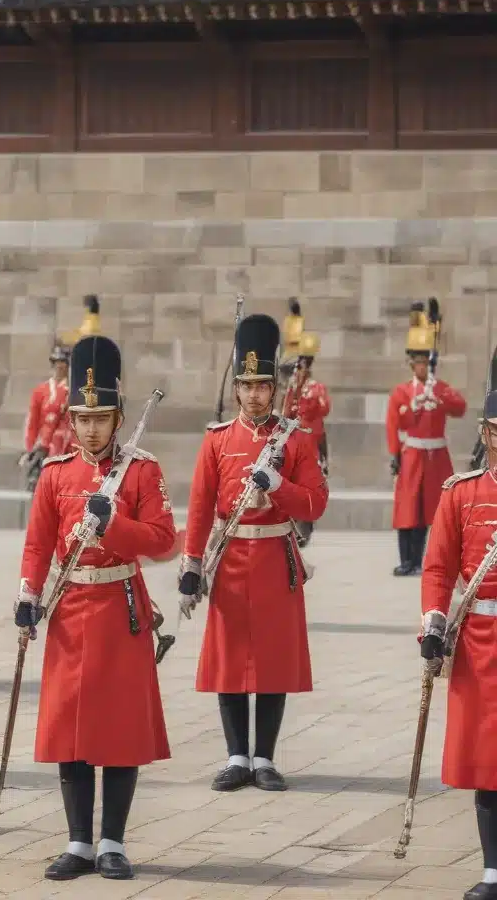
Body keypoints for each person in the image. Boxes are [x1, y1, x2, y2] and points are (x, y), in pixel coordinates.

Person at [15, 334, 177, 881]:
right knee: (71, 728)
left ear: (118, 417)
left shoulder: (141, 472)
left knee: (119, 728)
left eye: (100, 418)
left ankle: (113, 841)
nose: (89, 429)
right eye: (81, 418)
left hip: (120, 609)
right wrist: (26, 594)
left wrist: (115, 524)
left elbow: (163, 540)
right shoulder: (56, 474)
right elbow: (38, 544)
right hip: (69, 608)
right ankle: (78, 841)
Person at [179, 314, 328, 793]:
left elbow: (316, 501)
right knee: (229, 660)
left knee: (272, 660)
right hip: (229, 559)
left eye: (263, 385)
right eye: (246, 386)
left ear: (274, 386)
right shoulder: (217, 439)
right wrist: (191, 564)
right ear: (237, 389)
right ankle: (235, 755)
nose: (254, 395)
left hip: (275, 562)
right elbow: (201, 506)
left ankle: (264, 756)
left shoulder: (295, 439)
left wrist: (280, 485)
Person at [420, 386, 497, 900]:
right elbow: (439, 566)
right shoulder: (461, 492)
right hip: (480, 640)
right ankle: (495, 870)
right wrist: (432, 623)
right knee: (487, 757)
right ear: (487, 433)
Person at [387, 300, 466, 577]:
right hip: (412, 455)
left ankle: (425, 560)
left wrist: (438, 396)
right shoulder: (402, 392)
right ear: (412, 364)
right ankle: (406, 560)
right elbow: (395, 424)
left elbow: (460, 407)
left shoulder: (440, 389)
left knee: (433, 512)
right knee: (408, 510)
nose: (422, 367)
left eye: (425, 362)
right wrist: (395, 455)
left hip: (436, 458)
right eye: (418, 362)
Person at [280, 319, 331, 547]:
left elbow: (324, 409)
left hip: (311, 440)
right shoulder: (292, 387)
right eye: (301, 362)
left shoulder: (317, 388)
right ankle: (292, 526)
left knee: (309, 484)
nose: (303, 366)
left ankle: (306, 528)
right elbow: (285, 411)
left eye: (307, 362)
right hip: (293, 440)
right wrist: (295, 387)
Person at [21, 339, 71, 493]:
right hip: (45, 448)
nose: (60, 365)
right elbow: (33, 422)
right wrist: (30, 449)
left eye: (63, 362)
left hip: (67, 447)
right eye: (57, 361)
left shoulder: (73, 391)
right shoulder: (41, 391)